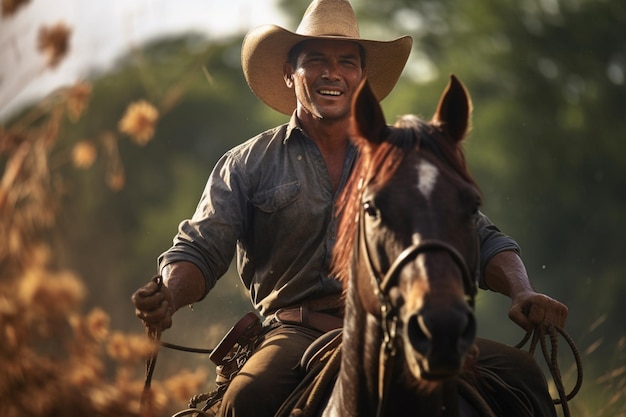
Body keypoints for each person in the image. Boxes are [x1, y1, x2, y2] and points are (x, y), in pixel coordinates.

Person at [132, 0, 568, 416]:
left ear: (361, 76)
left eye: (346, 62)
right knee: (248, 399)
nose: (332, 73)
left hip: (402, 322)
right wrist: (169, 294)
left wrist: (521, 290)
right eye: (316, 60)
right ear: (290, 73)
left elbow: (478, 235)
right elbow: (200, 249)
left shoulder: (404, 157)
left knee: (524, 376)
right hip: (295, 331)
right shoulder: (248, 163)